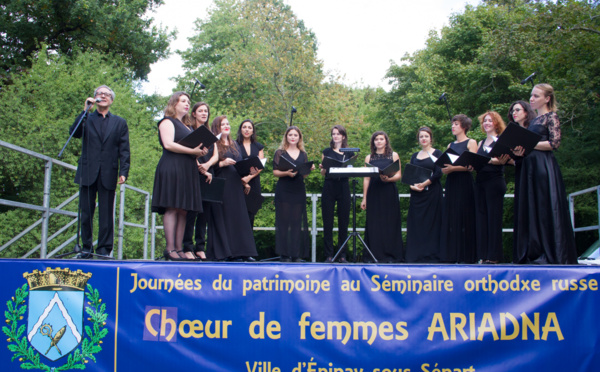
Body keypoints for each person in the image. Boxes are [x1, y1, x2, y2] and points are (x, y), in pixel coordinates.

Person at [514, 83, 577, 264]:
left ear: (547, 99)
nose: (532, 99)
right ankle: (534, 251)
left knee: (544, 206)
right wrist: (520, 150)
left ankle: (551, 253)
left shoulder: (551, 116)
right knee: (532, 207)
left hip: (543, 167)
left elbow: (554, 143)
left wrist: (529, 144)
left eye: (536, 96)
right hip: (529, 166)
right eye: (531, 96)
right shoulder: (533, 121)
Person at [69, 85, 130, 258]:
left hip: (108, 172)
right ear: (94, 98)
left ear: (111, 100)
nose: (102, 95)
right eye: (99, 93)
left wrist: (124, 171)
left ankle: (104, 250)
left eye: (106, 94)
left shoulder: (119, 122)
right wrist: (84, 110)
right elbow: (74, 133)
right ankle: (86, 248)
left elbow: (124, 149)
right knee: (86, 212)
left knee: (106, 214)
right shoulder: (86, 118)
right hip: (88, 171)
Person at [151, 92, 205, 260]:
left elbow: (191, 148)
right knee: (172, 207)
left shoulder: (188, 126)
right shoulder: (167, 121)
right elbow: (168, 144)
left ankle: (179, 248)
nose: (187, 104)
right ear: (174, 103)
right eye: (183, 101)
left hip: (187, 169)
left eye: (188, 101)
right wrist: (193, 151)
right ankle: (170, 249)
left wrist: (201, 151)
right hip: (172, 166)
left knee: (183, 210)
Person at [206, 115, 258, 261]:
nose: (226, 126)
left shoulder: (235, 144)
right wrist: (221, 163)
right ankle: (223, 252)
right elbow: (208, 164)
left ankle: (241, 252)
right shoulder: (213, 143)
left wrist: (248, 175)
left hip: (235, 184)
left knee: (238, 218)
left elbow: (239, 165)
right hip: (221, 183)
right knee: (223, 217)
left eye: (228, 124)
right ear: (217, 127)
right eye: (223, 124)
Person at [439, 114, 478, 263]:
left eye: (456, 124)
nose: (453, 126)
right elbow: (446, 164)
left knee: (465, 217)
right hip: (451, 182)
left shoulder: (471, 142)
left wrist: (453, 168)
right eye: (452, 124)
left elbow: (471, 166)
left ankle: (466, 255)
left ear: (464, 126)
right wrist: (445, 169)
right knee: (452, 217)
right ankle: (452, 254)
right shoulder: (450, 145)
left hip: (464, 182)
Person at [360, 131, 404, 263]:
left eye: (381, 139)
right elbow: (366, 179)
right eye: (376, 139)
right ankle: (373, 256)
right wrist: (364, 198)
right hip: (374, 191)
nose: (378, 141)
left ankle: (391, 255)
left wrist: (388, 179)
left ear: (386, 141)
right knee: (374, 224)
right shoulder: (369, 158)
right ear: (373, 142)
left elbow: (398, 175)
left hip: (388, 190)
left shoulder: (394, 155)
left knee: (390, 223)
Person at [182, 102, 217, 260]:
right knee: (192, 211)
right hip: (193, 172)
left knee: (205, 212)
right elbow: (188, 151)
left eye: (206, 111)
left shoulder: (210, 132)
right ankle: (187, 246)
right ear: (194, 113)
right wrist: (200, 168)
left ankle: (200, 247)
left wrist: (208, 166)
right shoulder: (188, 129)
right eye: (200, 111)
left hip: (209, 173)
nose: (204, 113)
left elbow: (216, 154)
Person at [273, 126, 314, 262]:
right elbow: (275, 172)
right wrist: (286, 173)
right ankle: (284, 254)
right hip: (284, 189)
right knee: (284, 222)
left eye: (295, 135)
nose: (293, 137)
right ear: (286, 137)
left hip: (298, 189)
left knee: (296, 222)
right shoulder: (280, 152)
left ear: (299, 138)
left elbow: (304, 175)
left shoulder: (303, 154)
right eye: (290, 135)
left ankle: (295, 255)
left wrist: (309, 169)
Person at [475, 112, 510, 264]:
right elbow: (478, 160)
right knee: (482, 219)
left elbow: (503, 160)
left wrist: (486, 161)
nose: (486, 123)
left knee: (493, 218)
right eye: (484, 121)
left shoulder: (502, 140)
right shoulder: (481, 142)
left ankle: (494, 256)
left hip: (494, 181)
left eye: (490, 121)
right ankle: (484, 254)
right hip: (480, 181)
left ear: (496, 123)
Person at [405, 127, 443, 263]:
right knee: (416, 224)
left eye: (426, 136)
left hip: (432, 194)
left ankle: (432, 255)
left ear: (431, 138)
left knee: (432, 224)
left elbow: (439, 173)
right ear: (418, 139)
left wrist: (425, 184)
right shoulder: (415, 156)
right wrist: (413, 186)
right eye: (421, 137)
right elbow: (409, 175)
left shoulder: (437, 153)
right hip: (417, 195)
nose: (424, 139)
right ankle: (416, 255)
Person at [320, 125, 354, 263]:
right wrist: (323, 168)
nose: (335, 136)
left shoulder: (349, 152)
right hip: (329, 185)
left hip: (344, 186)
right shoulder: (327, 151)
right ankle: (328, 255)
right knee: (327, 222)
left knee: (343, 222)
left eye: (338, 134)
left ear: (343, 136)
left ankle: (342, 255)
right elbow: (323, 173)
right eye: (333, 134)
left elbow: (351, 173)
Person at [236, 119, 265, 228]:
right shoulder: (235, 144)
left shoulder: (258, 146)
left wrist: (249, 178)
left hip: (254, 183)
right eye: (244, 127)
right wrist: (244, 181)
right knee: (238, 215)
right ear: (240, 130)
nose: (247, 130)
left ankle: (249, 244)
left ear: (253, 131)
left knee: (251, 215)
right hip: (238, 182)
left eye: (249, 127)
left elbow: (261, 166)